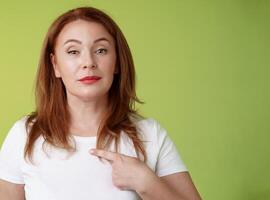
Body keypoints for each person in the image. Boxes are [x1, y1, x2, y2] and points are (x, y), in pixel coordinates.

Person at [0, 6, 202, 200]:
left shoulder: (150, 134)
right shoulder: (24, 136)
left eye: (101, 50)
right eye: (73, 52)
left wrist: (147, 182)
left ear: (116, 62)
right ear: (55, 65)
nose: (88, 62)